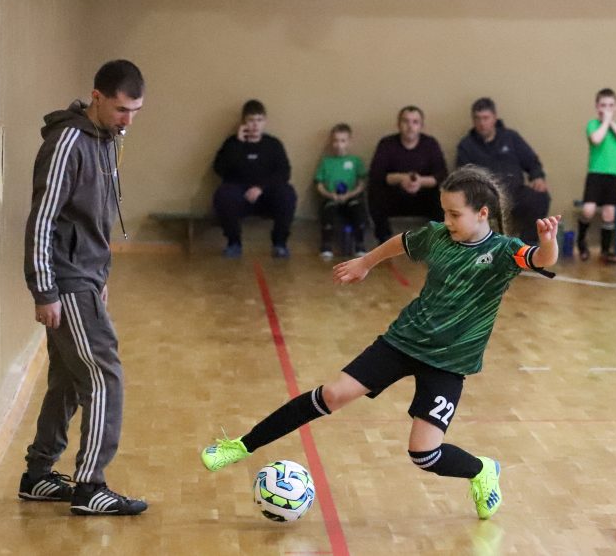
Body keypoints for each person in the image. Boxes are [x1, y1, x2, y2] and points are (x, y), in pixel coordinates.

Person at [201, 166, 561, 520]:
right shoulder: (436, 236)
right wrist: (366, 262)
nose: (447, 221)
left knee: (424, 454)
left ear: (482, 213)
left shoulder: (503, 252)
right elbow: (402, 241)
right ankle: (240, 446)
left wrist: (548, 242)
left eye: (455, 214)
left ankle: (482, 470)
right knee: (332, 394)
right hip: (403, 341)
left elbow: (541, 259)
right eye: (444, 212)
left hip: (449, 363)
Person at [21, 59, 148, 516]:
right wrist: (44, 290)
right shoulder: (68, 142)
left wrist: (101, 277)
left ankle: (38, 475)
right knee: (103, 375)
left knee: (69, 379)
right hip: (66, 280)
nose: (128, 120)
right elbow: (43, 220)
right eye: (121, 109)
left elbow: (92, 220)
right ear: (97, 98)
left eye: (135, 111)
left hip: (86, 278)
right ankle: (91, 485)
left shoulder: (105, 139)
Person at [456, 98, 550, 243]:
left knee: (540, 197)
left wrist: (538, 177)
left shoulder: (510, 137)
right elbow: (462, 176)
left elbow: (532, 161)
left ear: (494, 118)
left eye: (486, 118)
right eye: (477, 118)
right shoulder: (466, 145)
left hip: (515, 192)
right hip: (484, 197)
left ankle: (527, 245)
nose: (482, 123)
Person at [212, 99, 298, 258]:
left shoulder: (273, 144)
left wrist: (260, 187)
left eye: (259, 120)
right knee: (223, 195)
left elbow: (284, 173)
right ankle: (234, 243)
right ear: (243, 122)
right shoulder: (232, 143)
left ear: (265, 122)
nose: (255, 125)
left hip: (266, 195)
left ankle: (280, 244)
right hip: (239, 195)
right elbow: (219, 169)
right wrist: (238, 143)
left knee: (287, 194)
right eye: (251, 120)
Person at [367, 105, 447, 243]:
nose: (410, 126)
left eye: (415, 122)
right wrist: (401, 179)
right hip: (395, 197)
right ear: (398, 124)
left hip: (423, 197)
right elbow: (377, 174)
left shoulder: (430, 144)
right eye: (406, 121)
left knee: (444, 194)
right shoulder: (387, 144)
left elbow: (441, 175)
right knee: (374, 190)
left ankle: (439, 240)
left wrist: (420, 181)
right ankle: (383, 239)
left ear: (421, 126)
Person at [577, 88, 616, 263]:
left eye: (611, 105)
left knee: (609, 213)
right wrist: (606, 122)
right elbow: (596, 139)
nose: (607, 109)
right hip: (596, 174)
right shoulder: (593, 125)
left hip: (613, 175)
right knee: (588, 210)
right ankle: (581, 241)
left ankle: (605, 251)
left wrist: (611, 122)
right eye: (603, 105)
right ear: (597, 107)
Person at [315, 123, 368, 259]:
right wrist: (329, 194)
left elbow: (362, 183)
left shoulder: (355, 161)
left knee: (359, 212)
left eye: (343, 141)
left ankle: (360, 245)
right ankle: (326, 245)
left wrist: (351, 194)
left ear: (349, 142)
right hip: (331, 198)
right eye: (336, 141)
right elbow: (319, 185)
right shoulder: (326, 162)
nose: (339, 145)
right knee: (328, 213)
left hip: (351, 197)